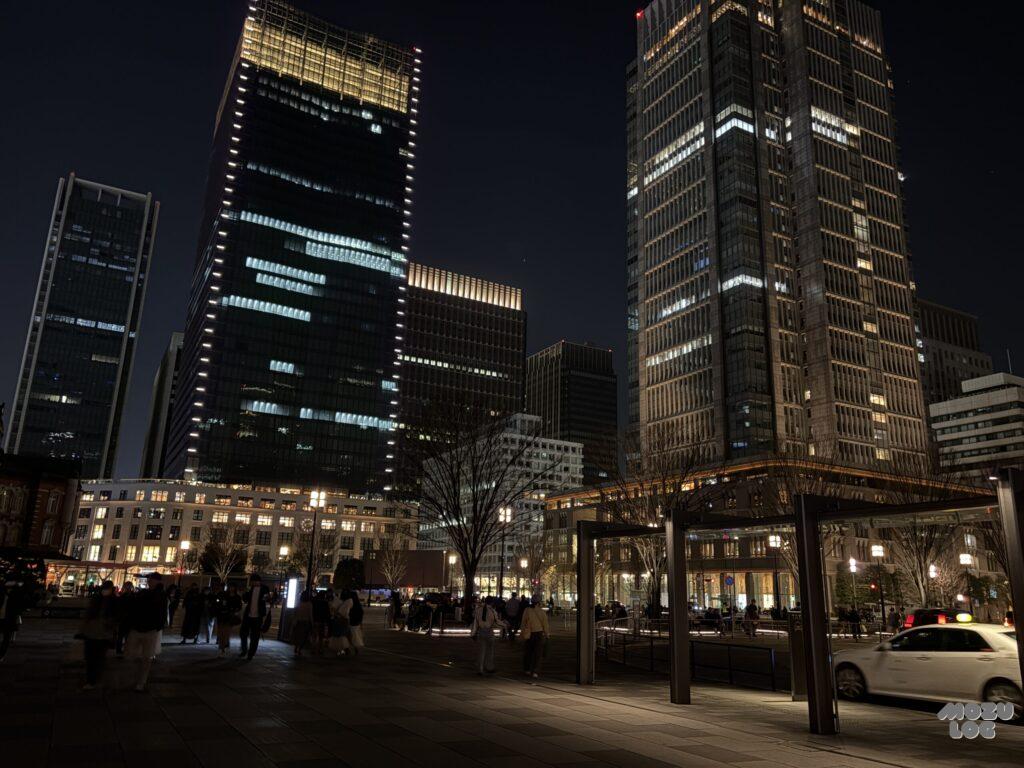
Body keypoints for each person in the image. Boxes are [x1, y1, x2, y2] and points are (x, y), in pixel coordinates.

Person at [124, 573, 168, 691]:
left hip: (149, 629)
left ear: (157, 581)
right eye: (149, 579)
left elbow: (163, 612)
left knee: (146, 657)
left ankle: (140, 681)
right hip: (140, 627)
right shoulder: (144, 593)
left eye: (151, 580)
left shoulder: (160, 595)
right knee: (133, 655)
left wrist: (158, 626)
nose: (149, 581)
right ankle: (136, 679)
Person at [79, 580, 117, 690]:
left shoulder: (113, 601)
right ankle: (91, 679)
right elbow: (87, 616)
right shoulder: (96, 600)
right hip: (92, 633)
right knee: (91, 658)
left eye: (107, 588)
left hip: (103, 635)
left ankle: (93, 679)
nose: (105, 591)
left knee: (98, 658)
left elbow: (116, 618)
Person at [239, 574, 270, 660]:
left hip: (258, 617)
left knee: (255, 636)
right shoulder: (250, 588)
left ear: (258, 581)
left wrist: (269, 598)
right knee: (243, 633)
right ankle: (244, 650)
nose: (252, 583)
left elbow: (267, 599)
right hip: (248, 615)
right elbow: (245, 599)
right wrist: (244, 593)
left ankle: (251, 654)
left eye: (253, 581)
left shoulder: (264, 589)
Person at [520, 597, 550, 679]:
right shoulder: (542, 612)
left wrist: (522, 632)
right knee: (538, 653)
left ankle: (527, 669)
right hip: (539, 634)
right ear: (538, 603)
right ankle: (535, 671)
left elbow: (523, 622)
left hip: (529, 634)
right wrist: (547, 634)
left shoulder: (527, 610)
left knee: (528, 652)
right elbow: (545, 624)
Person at [472, 596, 500, 675]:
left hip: (481, 631)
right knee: (490, 651)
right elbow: (496, 622)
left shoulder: (478, 610)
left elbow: (475, 622)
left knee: (481, 651)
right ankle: (489, 667)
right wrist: (504, 625)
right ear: (492, 602)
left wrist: (473, 633)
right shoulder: (492, 611)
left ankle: (480, 668)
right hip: (489, 631)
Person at [0, 580, 26, 662]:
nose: (9, 590)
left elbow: (18, 608)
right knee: (5, 638)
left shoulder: (14, 597)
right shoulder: (2, 596)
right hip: (2, 619)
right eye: (7, 588)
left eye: (10, 588)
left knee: (6, 638)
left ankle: (1, 655)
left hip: (8, 620)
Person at [214, 584, 242, 655]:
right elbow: (219, 603)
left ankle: (224, 646)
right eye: (230, 587)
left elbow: (239, 606)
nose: (231, 589)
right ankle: (222, 647)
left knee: (226, 632)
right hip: (222, 615)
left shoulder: (237, 597)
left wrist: (235, 610)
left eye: (233, 587)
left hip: (230, 617)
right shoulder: (224, 595)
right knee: (220, 633)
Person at [328, 590, 354, 656]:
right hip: (345, 620)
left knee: (338, 635)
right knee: (344, 634)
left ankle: (341, 650)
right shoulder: (348, 601)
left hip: (337, 620)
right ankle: (346, 649)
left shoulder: (338, 601)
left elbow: (332, 609)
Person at [115, 582, 135, 656]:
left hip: (126, 619)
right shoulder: (131, 596)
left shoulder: (123, 596)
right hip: (125, 619)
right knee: (124, 636)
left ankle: (122, 651)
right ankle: (122, 650)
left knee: (124, 636)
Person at [291, 592, 314, 657]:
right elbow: (310, 615)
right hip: (305, 622)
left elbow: (294, 613)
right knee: (304, 637)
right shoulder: (309, 604)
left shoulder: (298, 603)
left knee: (297, 636)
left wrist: (293, 621)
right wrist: (312, 623)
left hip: (298, 622)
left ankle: (296, 647)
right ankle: (299, 650)